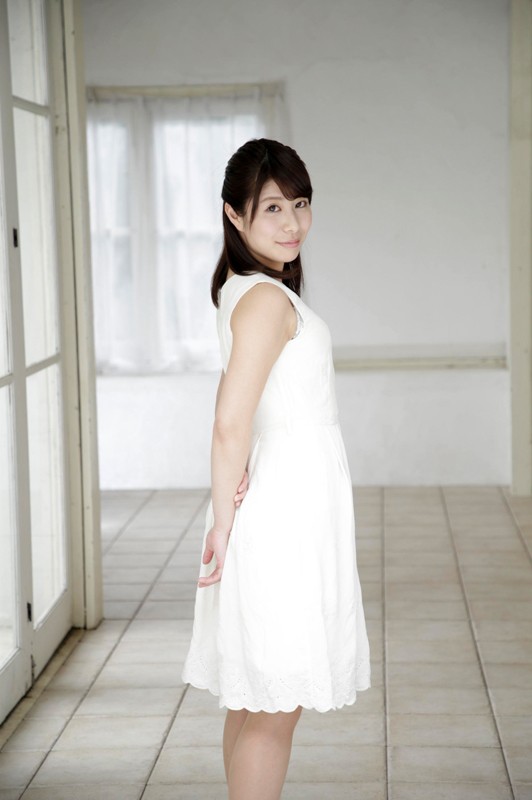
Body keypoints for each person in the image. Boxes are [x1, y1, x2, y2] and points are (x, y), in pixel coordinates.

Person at [181, 138, 370, 800]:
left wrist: (229, 503)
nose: (292, 223)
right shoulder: (264, 299)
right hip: (284, 513)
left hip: (287, 499)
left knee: (255, 700)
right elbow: (229, 420)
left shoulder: (248, 291)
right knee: (273, 707)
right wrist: (224, 523)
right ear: (233, 215)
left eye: (300, 204)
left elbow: (234, 403)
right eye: (271, 208)